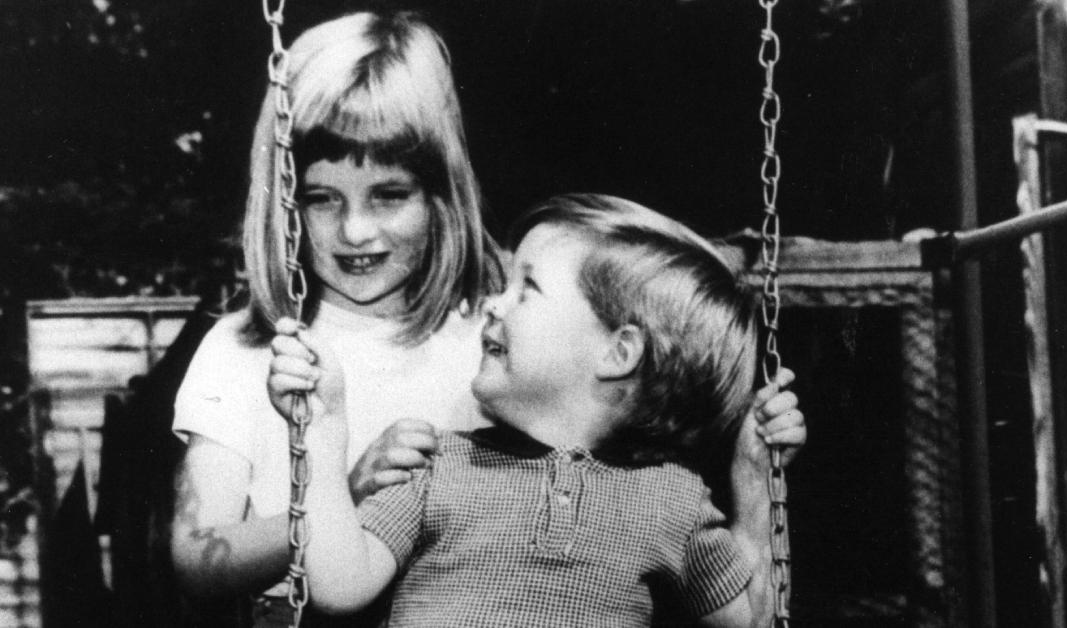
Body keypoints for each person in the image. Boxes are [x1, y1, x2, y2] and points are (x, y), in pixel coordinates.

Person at [171, 9, 803, 626]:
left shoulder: (493, 337)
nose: (355, 230)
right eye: (320, 198)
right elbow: (198, 563)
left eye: (390, 194)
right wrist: (345, 488)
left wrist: (753, 478)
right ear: (285, 201)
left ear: (440, 191)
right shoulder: (252, 349)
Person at [269, 194, 805, 626]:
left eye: (527, 289)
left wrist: (754, 485)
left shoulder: (673, 500)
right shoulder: (438, 465)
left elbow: (753, 620)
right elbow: (338, 587)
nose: (493, 304)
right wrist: (322, 424)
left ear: (617, 353)